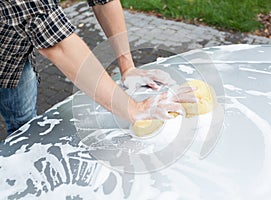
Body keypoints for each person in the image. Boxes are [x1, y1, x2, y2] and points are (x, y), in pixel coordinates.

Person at [0, 0, 195, 137]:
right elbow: (57, 44)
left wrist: (127, 67)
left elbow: (104, 0)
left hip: (13, 51)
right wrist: (133, 108)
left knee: (23, 122)